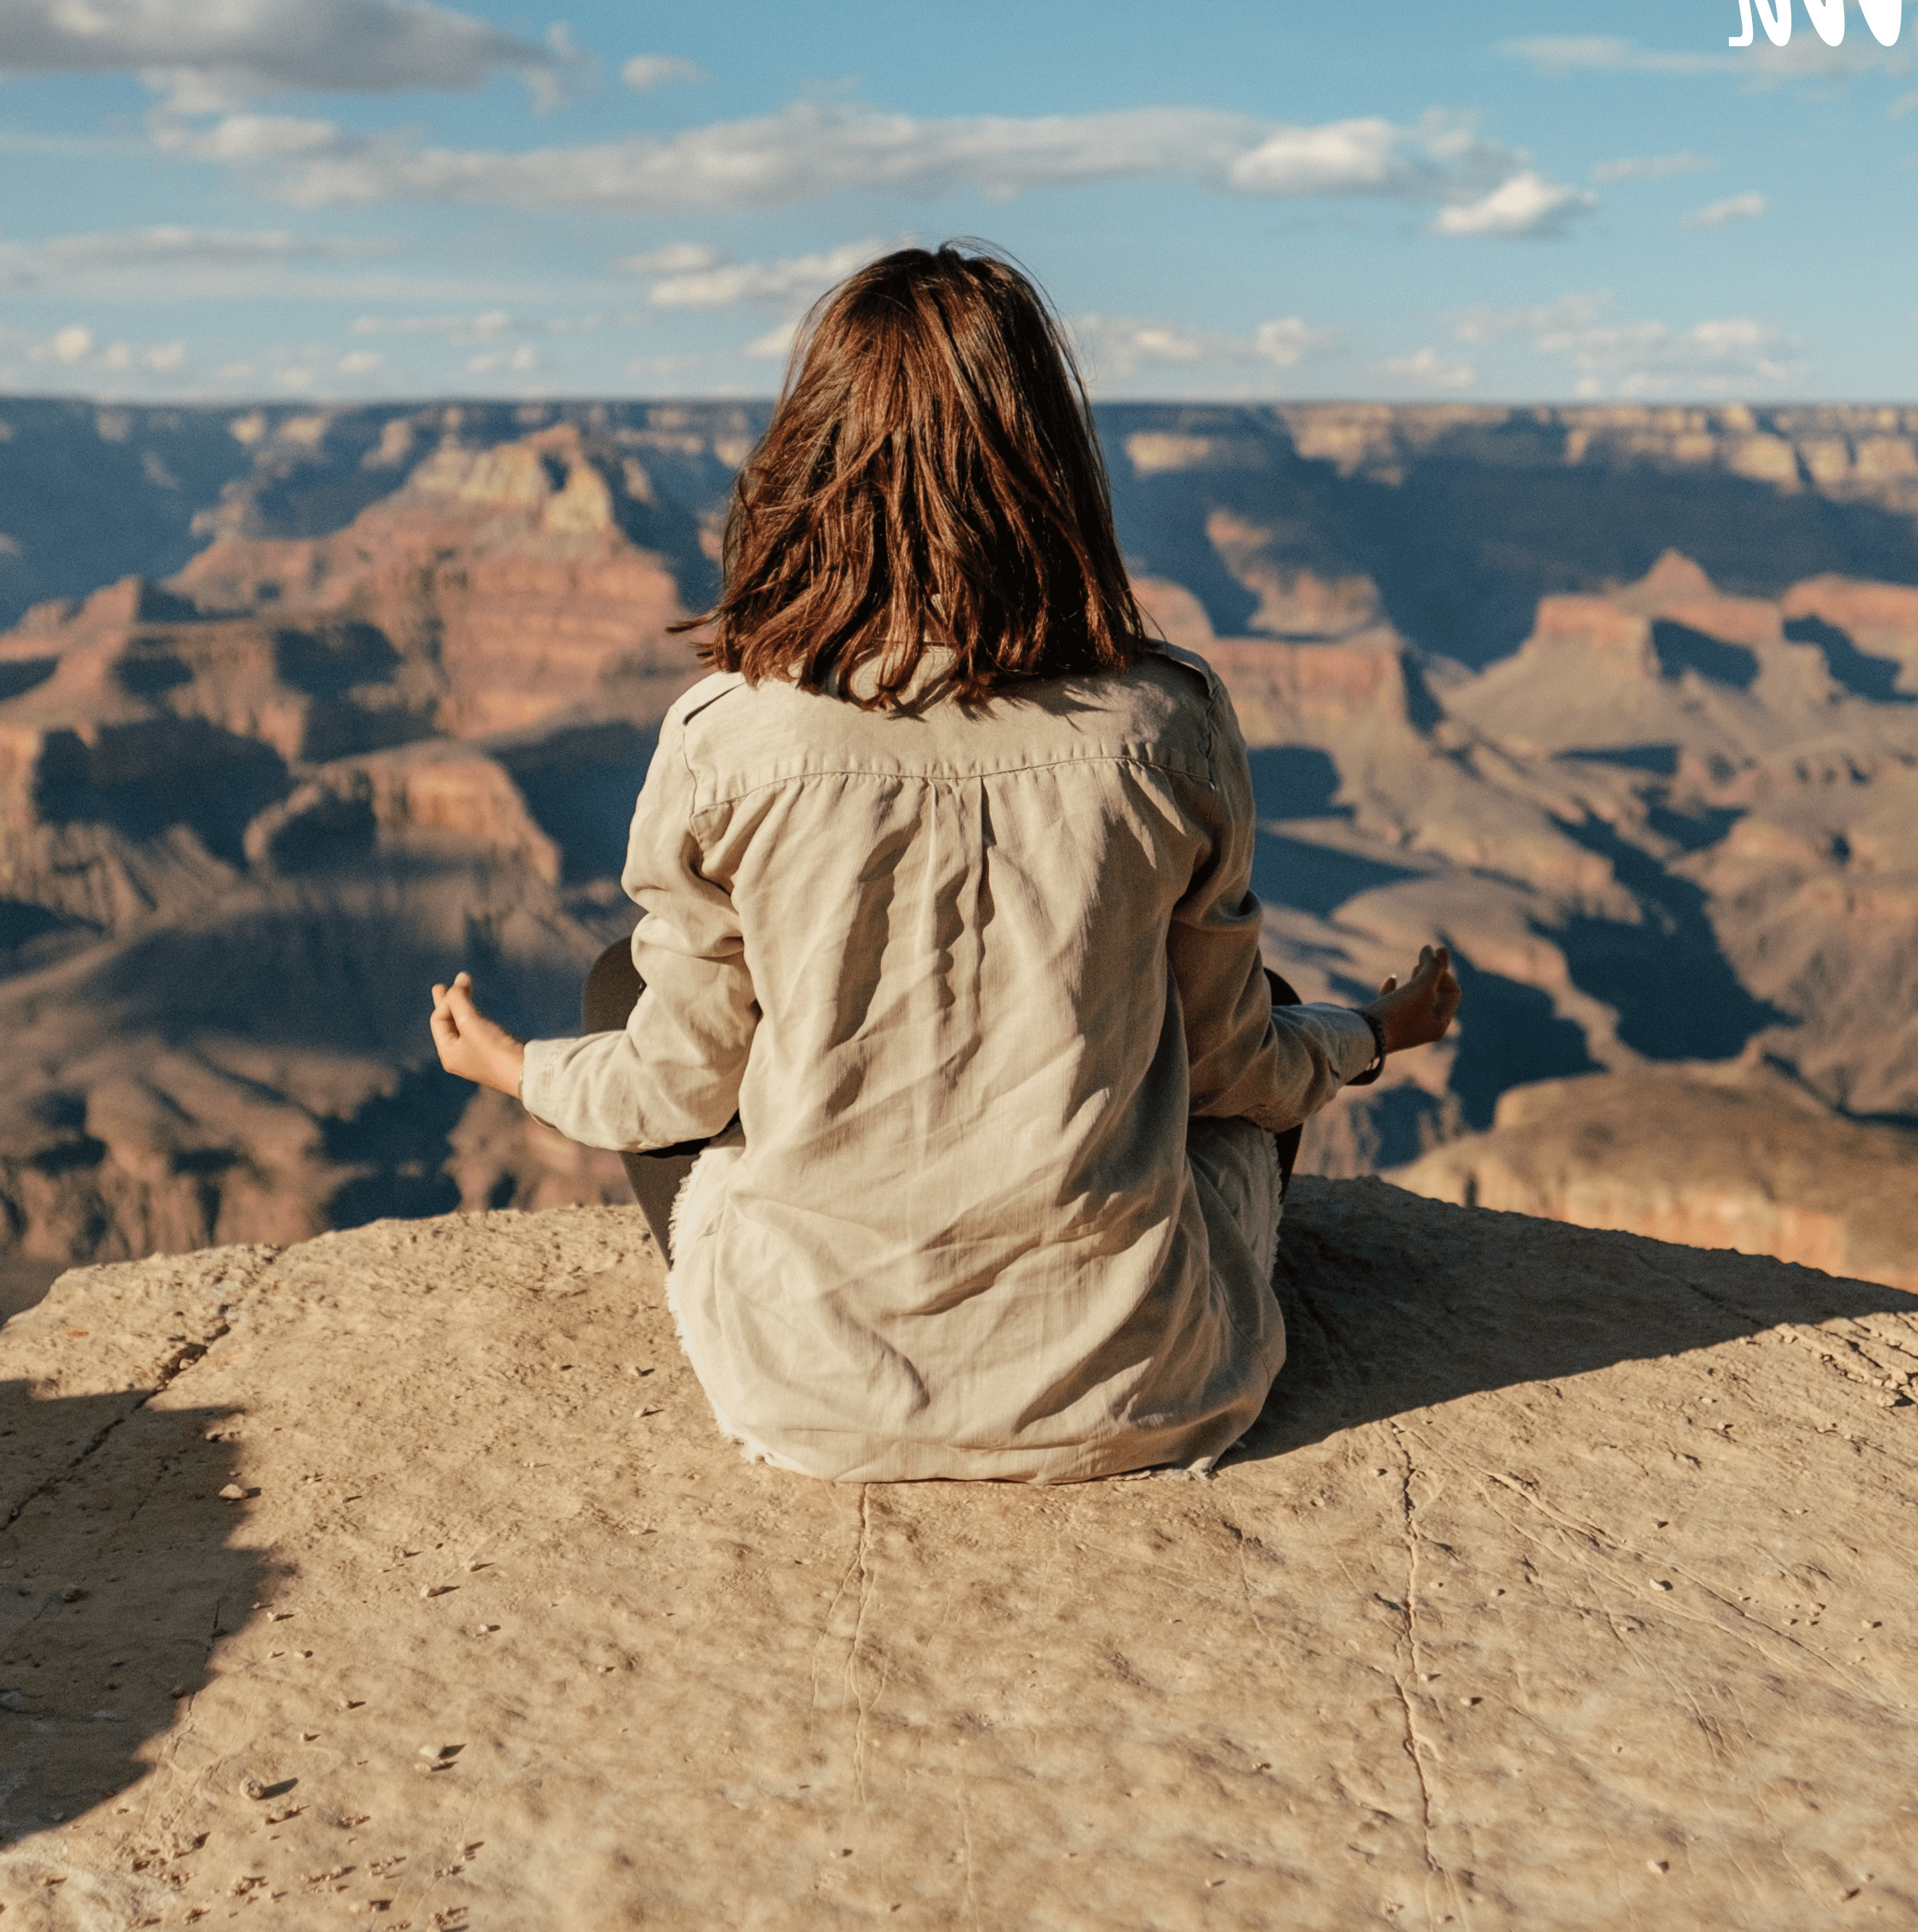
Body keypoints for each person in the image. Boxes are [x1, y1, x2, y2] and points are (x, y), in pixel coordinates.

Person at [428, 243, 1460, 1484]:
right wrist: (1372, 1033)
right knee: (1269, 1007)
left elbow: (680, 1090)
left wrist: (514, 1069)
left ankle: (838, 1332)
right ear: (1052, 465)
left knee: (619, 992)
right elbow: (1237, 1066)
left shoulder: (728, 734)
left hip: (810, 1402)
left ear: (809, 462)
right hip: (1144, 1392)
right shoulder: (1165, 722)